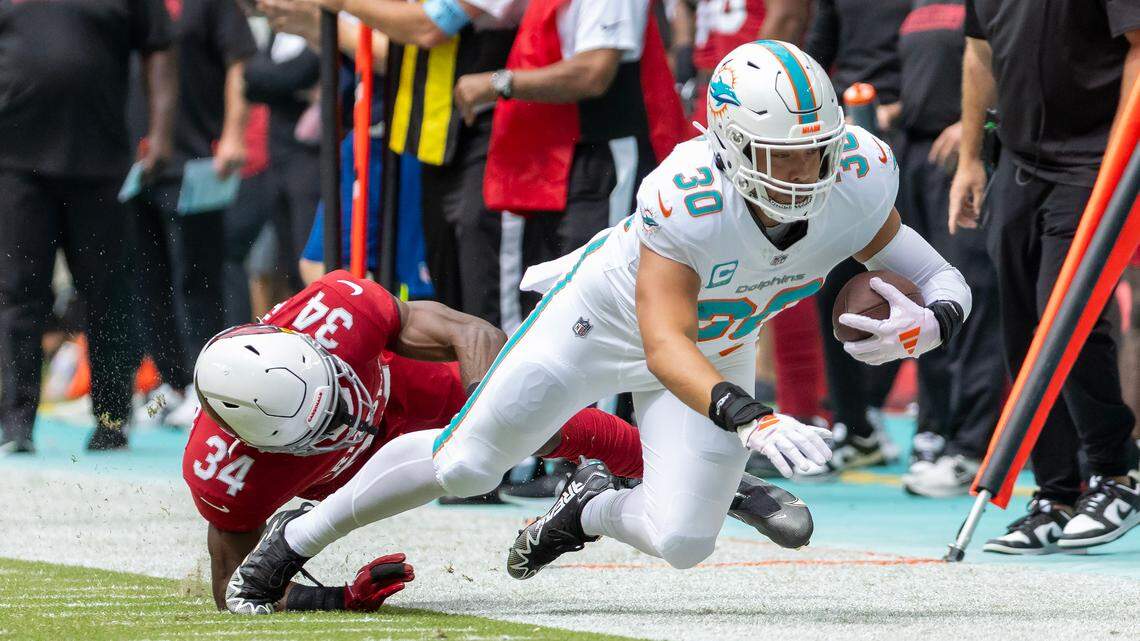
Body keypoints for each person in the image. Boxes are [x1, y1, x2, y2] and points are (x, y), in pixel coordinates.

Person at [222, 41, 971, 607]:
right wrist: (757, 420)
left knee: (682, 540)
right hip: (605, 322)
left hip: (715, 344)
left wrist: (929, 324)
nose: (807, 174)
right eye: (785, 155)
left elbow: (944, 277)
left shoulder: (857, 175)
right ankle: (296, 536)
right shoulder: (687, 193)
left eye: (816, 152)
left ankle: (589, 507)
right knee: (469, 465)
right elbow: (663, 343)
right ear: (732, 146)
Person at [185, 270, 808, 611]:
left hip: (408, 388)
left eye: (338, 397)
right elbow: (237, 592)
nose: (349, 421)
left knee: (555, 423)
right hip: (348, 475)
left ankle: (712, 482)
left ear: (316, 352)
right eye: (323, 427)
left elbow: (465, 328)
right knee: (493, 450)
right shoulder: (226, 475)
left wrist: (496, 421)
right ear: (257, 441)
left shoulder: (337, 315)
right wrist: (338, 598)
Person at [950, 0, 1140, 554]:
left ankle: (1114, 474)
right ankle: (1054, 494)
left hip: (1094, 158)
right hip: (1017, 160)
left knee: (1068, 315)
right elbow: (979, 55)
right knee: (1022, 324)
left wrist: (1121, 157)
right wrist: (968, 160)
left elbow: (1137, 51)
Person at [0, 0, 176, 453]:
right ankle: (15, 420)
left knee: (109, 295)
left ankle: (113, 418)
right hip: (16, 165)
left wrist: (162, 131)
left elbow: (159, 49)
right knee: (19, 292)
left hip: (101, 165)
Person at [893, 0, 1004, 497]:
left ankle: (972, 445)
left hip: (968, 156)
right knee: (923, 293)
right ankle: (934, 430)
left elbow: (999, 60)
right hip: (915, 155)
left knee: (972, 294)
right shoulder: (917, 6)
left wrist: (975, 124)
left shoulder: (986, 5)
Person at [129, 0, 257, 432]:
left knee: (197, 280)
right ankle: (173, 382)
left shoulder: (211, 4)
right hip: (133, 164)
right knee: (147, 280)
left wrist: (235, 134)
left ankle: (208, 388)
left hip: (197, 159)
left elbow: (240, 61)